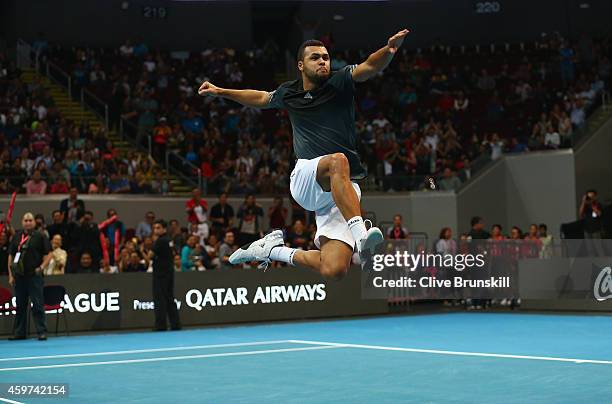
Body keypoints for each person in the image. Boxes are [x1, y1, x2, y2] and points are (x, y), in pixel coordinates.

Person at [200, 31, 411, 277]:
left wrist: (389, 50)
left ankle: (272, 251)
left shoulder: (340, 80)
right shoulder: (290, 93)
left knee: (334, 269)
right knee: (338, 160)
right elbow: (260, 97)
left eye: (326, 57)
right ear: (301, 65)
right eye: (315, 58)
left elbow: (369, 66)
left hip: (341, 189)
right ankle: (361, 236)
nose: (323, 61)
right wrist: (221, 91)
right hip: (307, 178)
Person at [7, 212, 52, 340]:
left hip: (34, 276)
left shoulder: (40, 236)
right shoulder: (16, 236)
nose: (28, 222)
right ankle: (19, 333)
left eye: (30, 220)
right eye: (25, 220)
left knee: (37, 304)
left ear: (34, 222)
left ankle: (41, 332)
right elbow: (11, 256)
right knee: (20, 305)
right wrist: (11, 275)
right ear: (22, 222)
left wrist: (42, 267)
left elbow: (49, 254)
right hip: (19, 276)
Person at [150, 220, 181, 331]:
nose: (155, 230)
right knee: (169, 298)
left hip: (160, 274)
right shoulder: (169, 240)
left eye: (158, 227)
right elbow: (173, 253)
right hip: (169, 272)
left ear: (164, 229)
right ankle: (175, 324)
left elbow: (150, 255)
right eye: (154, 228)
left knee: (159, 299)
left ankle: (160, 325)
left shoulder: (159, 241)